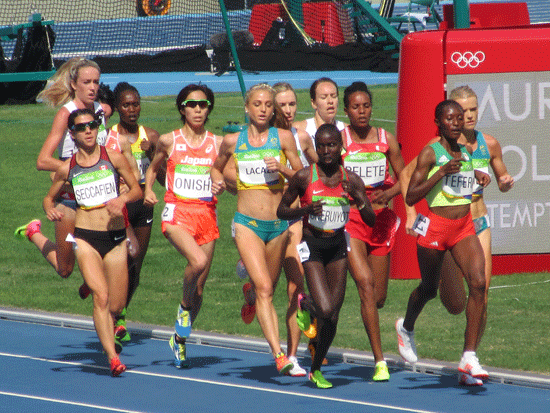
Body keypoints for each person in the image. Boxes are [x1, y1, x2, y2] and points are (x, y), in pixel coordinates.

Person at [395, 100, 491, 386]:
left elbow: (462, 184)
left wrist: (478, 177)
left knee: (478, 283)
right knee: (428, 289)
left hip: (463, 226)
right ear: (439, 122)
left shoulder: (467, 152)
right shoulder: (430, 153)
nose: (456, 122)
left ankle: (469, 357)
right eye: (450, 118)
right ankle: (406, 327)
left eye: (460, 118)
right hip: (436, 227)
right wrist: (440, 172)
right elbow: (411, 196)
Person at [210, 83, 303, 375]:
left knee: (267, 289)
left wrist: (283, 169)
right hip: (247, 223)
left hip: (278, 225)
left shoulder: (284, 138)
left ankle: (249, 294)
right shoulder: (232, 141)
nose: (263, 109)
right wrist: (217, 183)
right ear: (247, 108)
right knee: (266, 288)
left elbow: (303, 177)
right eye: (258, 104)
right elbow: (216, 167)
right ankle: (279, 355)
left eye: (268, 105)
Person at [42, 108, 142, 376]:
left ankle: (91, 281)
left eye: (92, 125)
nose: (88, 130)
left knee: (117, 306)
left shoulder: (114, 158)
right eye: (82, 127)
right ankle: (112, 358)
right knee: (102, 296)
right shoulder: (68, 167)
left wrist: (121, 200)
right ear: (72, 134)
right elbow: (49, 198)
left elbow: (137, 190)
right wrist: (50, 208)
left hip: (115, 238)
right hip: (85, 237)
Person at [277, 123, 375, 388]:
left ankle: (316, 368)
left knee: (333, 316)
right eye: (321, 146)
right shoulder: (305, 177)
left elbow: (371, 220)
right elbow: (281, 211)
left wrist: (360, 199)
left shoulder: (351, 179)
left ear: (340, 146)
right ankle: (306, 304)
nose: (327, 150)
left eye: (332, 145)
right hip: (313, 246)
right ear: (316, 149)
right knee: (326, 308)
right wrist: (306, 209)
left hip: (338, 247)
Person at [144, 84, 220, 368]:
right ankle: (183, 309)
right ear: (182, 108)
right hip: (177, 212)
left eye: (203, 105)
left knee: (199, 289)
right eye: (192, 104)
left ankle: (179, 339)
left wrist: (223, 184)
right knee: (197, 261)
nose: (198, 110)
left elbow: (227, 176)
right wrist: (149, 190)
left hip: (207, 215)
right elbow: (153, 167)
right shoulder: (169, 140)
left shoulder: (217, 143)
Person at [15, 58, 110, 280]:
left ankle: (95, 285)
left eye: (96, 82)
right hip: (69, 199)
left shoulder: (101, 112)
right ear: (74, 84)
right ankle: (33, 232)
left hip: (99, 197)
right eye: (87, 82)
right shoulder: (65, 114)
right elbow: (43, 161)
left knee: (111, 255)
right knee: (65, 269)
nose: (93, 87)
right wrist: (77, 170)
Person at [341, 81, 406, 382]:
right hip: (351, 219)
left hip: (380, 222)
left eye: (366, 106)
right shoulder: (339, 141)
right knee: (365, 284)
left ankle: (372, 311)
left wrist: (389, 194)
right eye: (356, 107)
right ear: (347, 110)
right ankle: (380, 361)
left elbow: (404, 177)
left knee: (378, 297)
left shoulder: (385, 139)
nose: (362, 111)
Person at [101, 81, 161, 342]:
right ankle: (114, 314)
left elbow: (164, 178)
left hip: (144, 204)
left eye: (136, 103)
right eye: (126, 105)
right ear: (117, 108)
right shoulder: (109, 136)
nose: (132, 109)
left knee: (136, 265)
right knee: (128, 254)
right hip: (120, 204)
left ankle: (120, 314)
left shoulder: (151, 136)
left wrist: (157, 153)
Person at [293, 77, 346, 142]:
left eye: (334, 96)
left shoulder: (346, 131)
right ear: (313, 103)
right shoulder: (298, 129)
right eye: (324, 97)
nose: (330, 101)